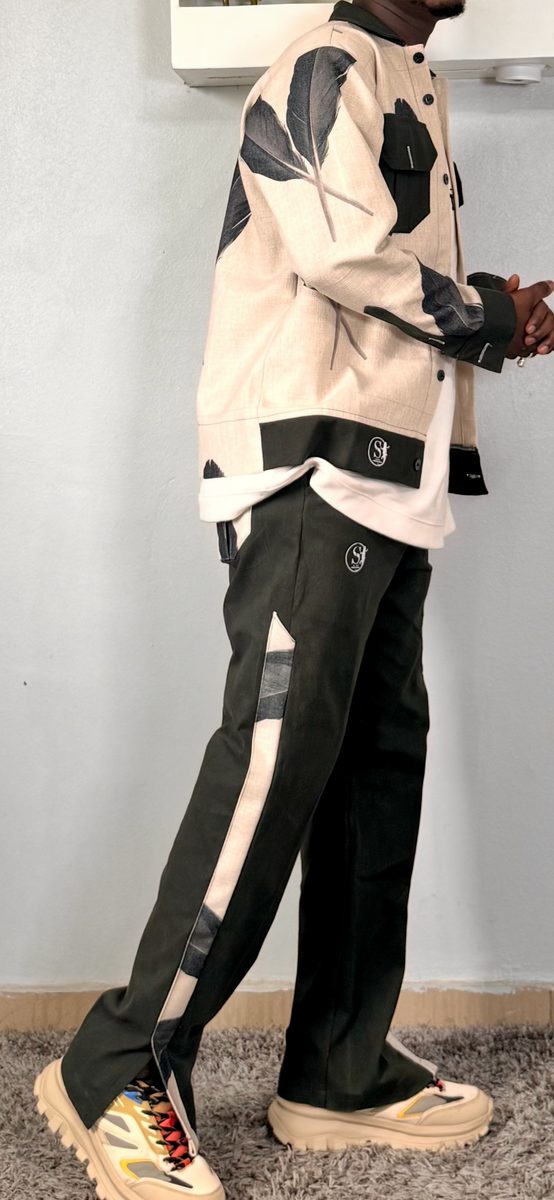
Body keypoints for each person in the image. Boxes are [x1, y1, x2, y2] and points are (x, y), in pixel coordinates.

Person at [34, 0, 554, 1196]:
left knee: (375, 764)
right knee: (272, 763)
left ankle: (336, 1067)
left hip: (391, 481)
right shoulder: (320, 66)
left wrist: (487, 313)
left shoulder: (403, 76)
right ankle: (115, 1065)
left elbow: (376, 271)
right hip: (312, 473)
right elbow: (336, 257)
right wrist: (482, 311)